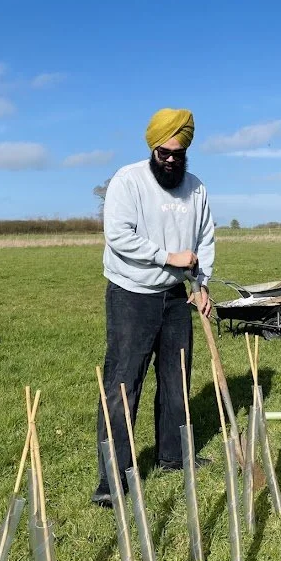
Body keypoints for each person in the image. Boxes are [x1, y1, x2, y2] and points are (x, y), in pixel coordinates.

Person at [92, 108, 215, 507]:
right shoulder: (129, 182)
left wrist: (201, 284)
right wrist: (167, 257)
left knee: (177, 377)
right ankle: (113, 479)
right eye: (165, 153)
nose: (172, 161)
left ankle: (173, 456)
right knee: (123, 383)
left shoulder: (196, 189)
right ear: (153, 148)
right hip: (131, 293)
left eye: (179, 154)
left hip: (177, 296)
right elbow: (118, 237)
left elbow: (205, 240)